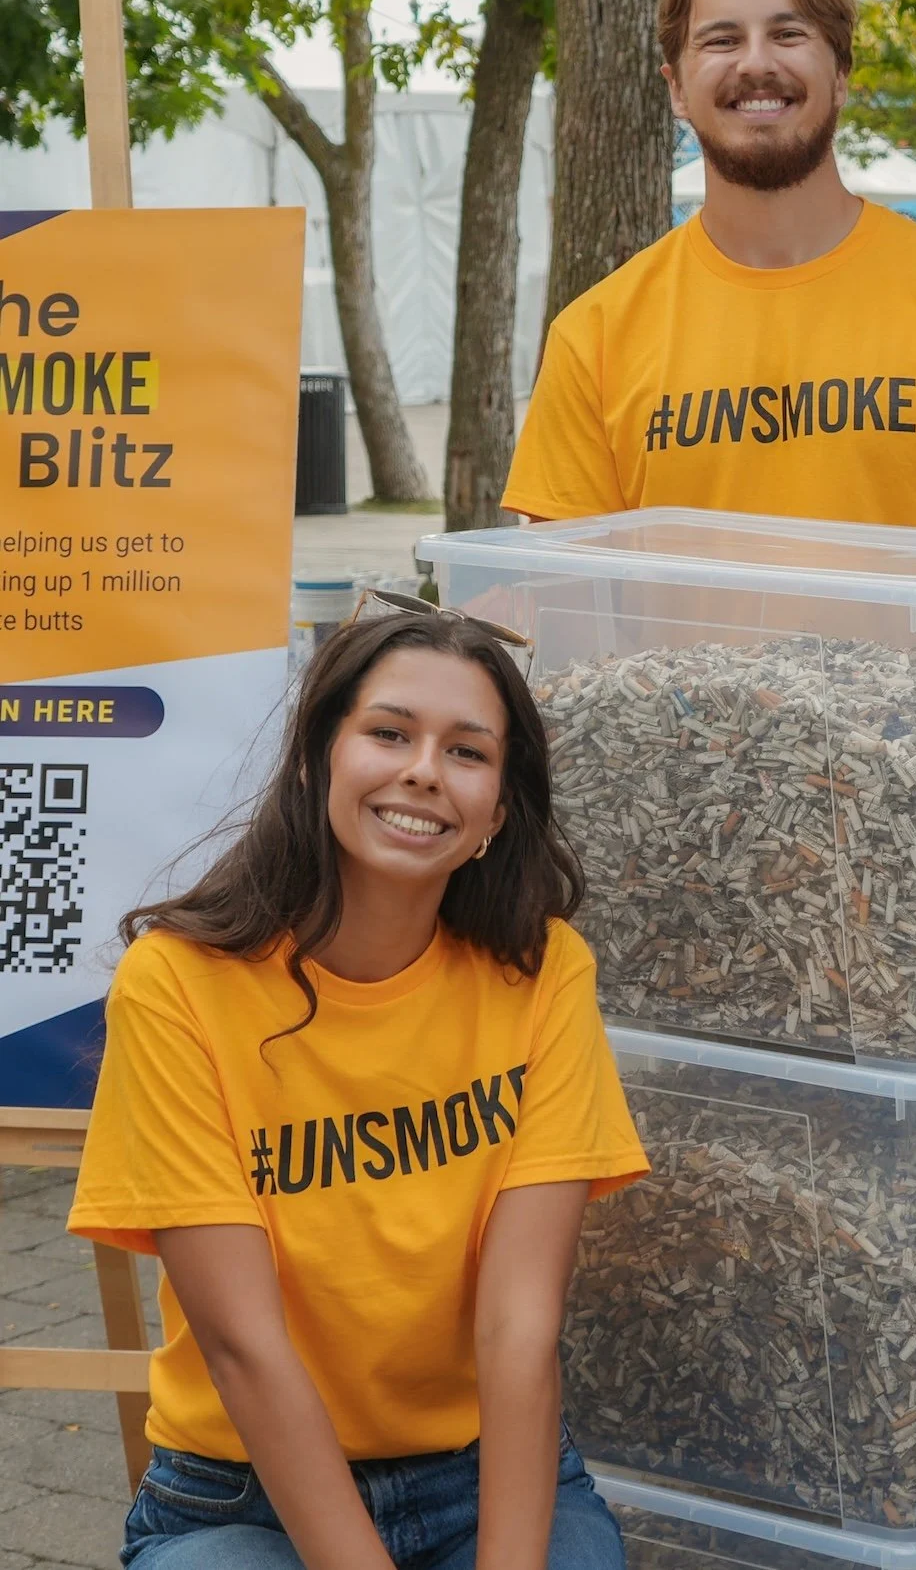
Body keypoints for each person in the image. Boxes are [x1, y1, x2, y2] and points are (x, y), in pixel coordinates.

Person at [70, 599, 648, 1570]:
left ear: (498, 810)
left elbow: (519, 1325)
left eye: (468, 751)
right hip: (241, 1490)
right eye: (388, 733)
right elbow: (245, 1345)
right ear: (314, 759)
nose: (424, 767)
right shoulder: (178, 983)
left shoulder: (545, 969)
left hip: (478, 1471)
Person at [503, 0, 916, 534]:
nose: (756, 63)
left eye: (787, 33)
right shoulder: (593, 338)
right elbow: (561, 599)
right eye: (721, 41)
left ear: (840, 76)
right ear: (676, 88)